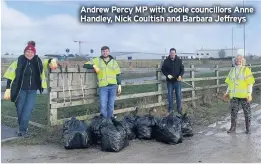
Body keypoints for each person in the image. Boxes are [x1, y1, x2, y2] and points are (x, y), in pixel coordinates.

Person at [3, 41, 57, 137]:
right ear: (24, 52)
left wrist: (52, 60)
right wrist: (8, 88)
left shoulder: (38, 61)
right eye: (27, 51)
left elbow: (47, 61)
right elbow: (10, 75)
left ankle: (23, 131)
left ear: (34, 53)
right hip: (20, 90)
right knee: (20, 109)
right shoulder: (18, 61)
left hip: (32, 90)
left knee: (28, 110)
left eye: (32, 52)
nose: (29, 53)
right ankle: (22, 127)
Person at [83, 46, 121, 119]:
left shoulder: (114, 62)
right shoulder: (97, 60)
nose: (105, 52)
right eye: (103, 51)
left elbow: (118, 74)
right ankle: (104, 121)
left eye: (106, 51)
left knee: (111, 105)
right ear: (101, 52)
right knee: (103, 105)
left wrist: (119, 85)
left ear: (109, 52)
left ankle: (109, 121)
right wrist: (94, 66)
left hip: (113, 86)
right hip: (103, 87)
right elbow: (85, 65)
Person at [223, 54, 255, 134]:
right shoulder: (232, 70)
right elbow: (230, 84)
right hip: (234, 96)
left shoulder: (246, 70)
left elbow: (250, 83)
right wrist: (227, 93)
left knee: (247, 112)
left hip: (244, 96)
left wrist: (249, 93)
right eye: (237, 59)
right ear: (235, 61)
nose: (238, 60)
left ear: (243, 60)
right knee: (233, 112)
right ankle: (232, 128)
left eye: (240, 59)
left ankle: (248, 128)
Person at [161, 48, 184, 115]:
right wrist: (167, 75)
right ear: (169, 53)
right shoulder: (166, 61)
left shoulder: (179, 61)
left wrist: (180, 75)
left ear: (175, 53)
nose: (172, 54)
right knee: (170, 95)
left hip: (177, 82)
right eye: (171, 53)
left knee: (178, 95)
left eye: (173, 53)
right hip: (170, 82)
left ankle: (179, 109)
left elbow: (182, 70)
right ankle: (171, 109)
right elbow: (163, 69)